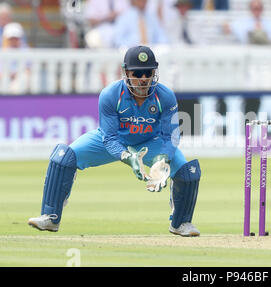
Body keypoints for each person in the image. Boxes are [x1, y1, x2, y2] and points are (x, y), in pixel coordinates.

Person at [28, 45, 202, 237]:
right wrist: (128, 157)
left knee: (187, 172)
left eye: (148, 73)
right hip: (112, 140)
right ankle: (50, 217)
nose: (143, 79)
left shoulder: (165, 96)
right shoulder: (110, 94)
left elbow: (171, 136)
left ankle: (181, 223)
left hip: (150, 142)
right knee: (64, 157)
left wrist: (162, 159)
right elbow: (109, 137)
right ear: (126, 72)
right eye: (137, 73)